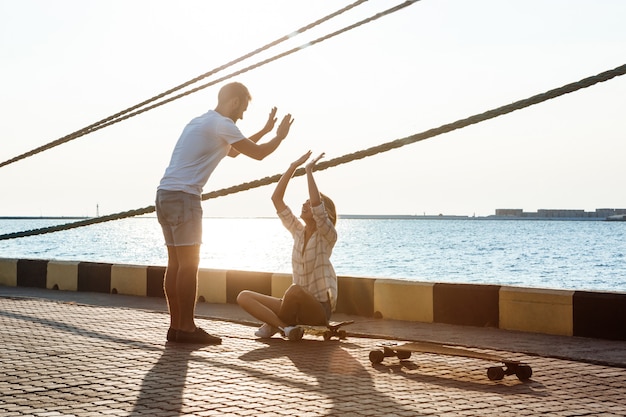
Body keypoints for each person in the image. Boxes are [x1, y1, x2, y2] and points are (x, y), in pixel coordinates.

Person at [156, 81, 294, 345]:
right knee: (188, 265)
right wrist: (279, 136)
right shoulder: (222, 123)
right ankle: (186, 328)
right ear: (234, 101)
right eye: (242, 108)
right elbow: (258, 154)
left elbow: (232, 153)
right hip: (185, 197)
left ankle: (176, 327)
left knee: (175, 263)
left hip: (165, 194)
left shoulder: (201, 121)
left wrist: (265, 129)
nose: (242, 114)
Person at [237, 151, 338, 341]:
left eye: (309, 203)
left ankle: (273, 324)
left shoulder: (327, 236)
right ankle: (285, 328)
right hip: (295, 304)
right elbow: (277, 199)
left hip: (318, 310)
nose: (305, 204)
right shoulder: (298, 232)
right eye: (305, 202)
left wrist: (308, 171)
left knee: (294, 290)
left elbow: (318, 208)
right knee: (244, 296)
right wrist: (293, 167)